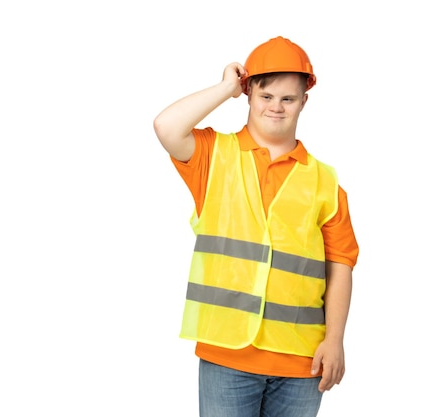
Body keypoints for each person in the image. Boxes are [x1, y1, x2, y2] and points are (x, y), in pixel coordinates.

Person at [152, 36, 359, 417]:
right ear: (248, 94)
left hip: (301, 360)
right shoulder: (214, 156)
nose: (276, 107)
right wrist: (226, 87)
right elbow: (166, 126)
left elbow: (341, 264)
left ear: (304, 101)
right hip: (227, 354)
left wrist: (335, 340)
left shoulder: (325, 182)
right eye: (266, 96)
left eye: (288, 99)